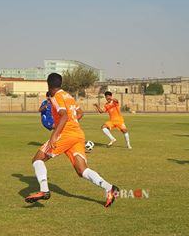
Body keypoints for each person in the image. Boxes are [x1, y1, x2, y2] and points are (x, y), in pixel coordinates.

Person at [25, 73, 119, 207]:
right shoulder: (68, 96)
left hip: (66, 134)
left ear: (48, 84)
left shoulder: (55, 96)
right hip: (78, 134)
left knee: (37, 159)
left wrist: (54, 135)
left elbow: (63, 116)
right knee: (82, 170)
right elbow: (80, 113)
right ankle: (109, 188)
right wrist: (72, 123)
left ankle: (44, 190)